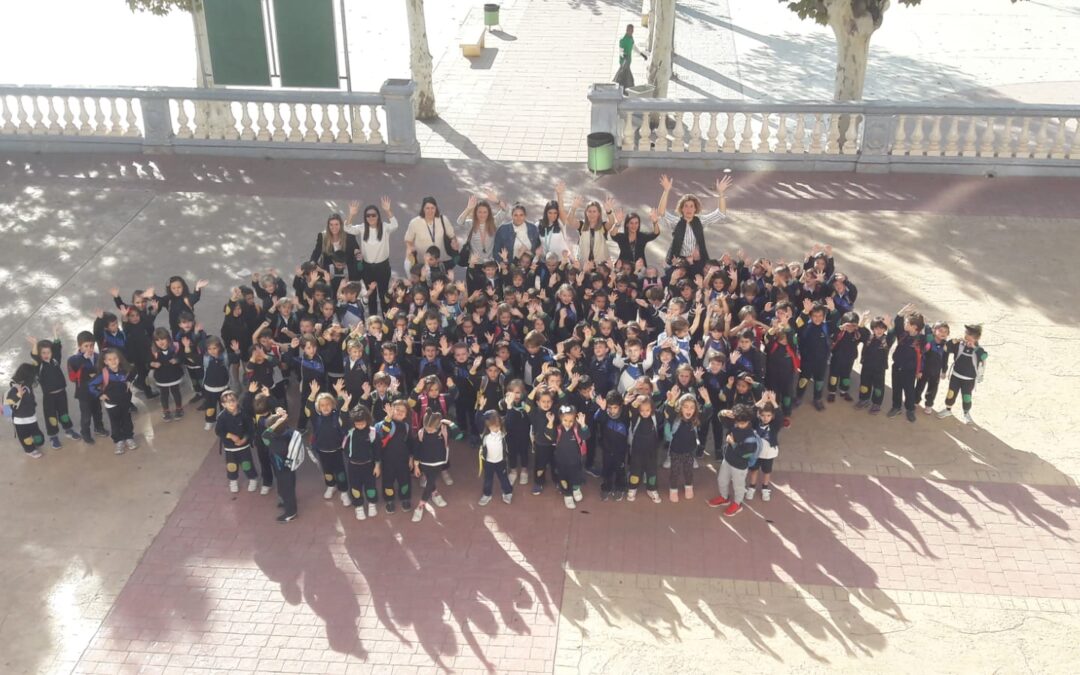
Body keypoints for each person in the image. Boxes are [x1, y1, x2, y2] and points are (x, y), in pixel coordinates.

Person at [656, 173, 733, 275]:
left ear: (695, 208)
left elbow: (721, 214)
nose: (689, 209)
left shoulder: (700, 221)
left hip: (698, 261)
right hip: (679, 261)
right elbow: (661, 213)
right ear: (681, 209)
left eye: (691, 206)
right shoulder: (676, 221)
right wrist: (666, 191)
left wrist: (721, 194)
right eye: (686, 206)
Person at [28, 329, 81, 447]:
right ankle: (53, 437)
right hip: (49, 397)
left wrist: (56, 334)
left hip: (62, 394)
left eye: (49, 352)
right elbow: (35, 356)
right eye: (43, 353)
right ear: (40, 355)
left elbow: (57, 347)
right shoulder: (39, 365)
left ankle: (68, 430)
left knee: (64, 413)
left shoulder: (55, 360)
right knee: (51, 417)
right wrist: (35, 345)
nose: (47, 355)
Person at [347, 197, 398, 316]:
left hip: (383, 266)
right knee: (371, 295)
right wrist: (351, 214)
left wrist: (388, 210)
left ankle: (387, 319)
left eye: (373, 215)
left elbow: (395, 225)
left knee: (384, 294)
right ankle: (373, 320)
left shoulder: (385, 227)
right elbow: (347, 228)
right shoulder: (362, 227)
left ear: (378, 216)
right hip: (367, 267)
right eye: (368, 216)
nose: (371, 218)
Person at [305, 380, 352, 506]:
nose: (325, 407)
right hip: (322, 450)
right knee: (327, 471)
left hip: (337, 450)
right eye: (322, 405)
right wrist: (313, 393)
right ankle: (331, 486)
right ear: (318, 407)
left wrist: (339, 393)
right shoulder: (316, 418)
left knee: (340, 472)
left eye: (328, 404)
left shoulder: (337, 416)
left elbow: (344, 412)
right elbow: (308, 408)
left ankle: (343, 491)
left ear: (333, 405)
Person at [708, 403, 758, 516]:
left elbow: (746, 454)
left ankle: (737, 503)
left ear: (748, 420)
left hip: (739, 466)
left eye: (742, 423)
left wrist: (733, 443)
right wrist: (723, 412)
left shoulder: (750, 436)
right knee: (721, 480)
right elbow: (721, 419)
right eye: (737, 422)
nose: (739, 425)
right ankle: (724, 497)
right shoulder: (735, 424)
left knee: (738, 486)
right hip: (727, 460)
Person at [88, 348, 137, 455]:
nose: (113, 361)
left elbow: (134, 371)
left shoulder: (124, 370)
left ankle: (129, 437)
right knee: (115, 423)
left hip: (125, 401)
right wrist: (100, 394)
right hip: (111, 404)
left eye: (115, 358)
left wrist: (129, 381)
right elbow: (91, 385)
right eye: (110, 359)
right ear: (105, 362)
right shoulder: (103, 374)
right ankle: (119, 440)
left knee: (127, 420)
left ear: (119, 359)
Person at [938, 324, 988, 425]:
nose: (966, 335)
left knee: (966, 397)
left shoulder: (978, 349)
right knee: (951, 394)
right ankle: (948, 410)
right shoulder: (959, 345)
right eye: (966, 333)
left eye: (969, 334)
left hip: (969, 380)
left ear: (976, 338)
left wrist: (974, 347)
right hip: (956, 376)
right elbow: (945, 348)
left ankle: (966, 413)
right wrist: (953, 341)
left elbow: (984, 356)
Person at [664, 391, 708, 502]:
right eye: (686, 407)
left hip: (689, 451)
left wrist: (707, 400)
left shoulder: (695, 420)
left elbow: (708, 412)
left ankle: (689, 486)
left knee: (688, 471)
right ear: (680, 407)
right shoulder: (675, 418)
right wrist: (672, 400)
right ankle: (673, 489)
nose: (689, 410)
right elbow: (669, 410)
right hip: (675, 451)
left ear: (696, 409)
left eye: (692, 407)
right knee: (675, 471)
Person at [67, 330, 109, 444]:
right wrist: (83, 360)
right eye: (86, 346)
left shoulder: (97, 356)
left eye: (91, 345)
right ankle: (85, 433)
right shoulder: (73, 360)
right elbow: (72, 378)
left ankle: (98, 428)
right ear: (79, 346)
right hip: (84, 393)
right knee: (86, 415)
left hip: (96, 391)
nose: (89, 349)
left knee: (98, 411)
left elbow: (101, 372)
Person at [259, 402, 298, 522]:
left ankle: (291, 512)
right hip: (285, 468)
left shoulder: (274, 441)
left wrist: (277, 422)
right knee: (284, 487)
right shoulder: (287, 433)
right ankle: (285, 501)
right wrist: (281, 418)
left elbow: (265, 434)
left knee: (287, 489)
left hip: (284, 469)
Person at [215, 390, 260, 493]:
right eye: (227, 402)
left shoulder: (244, 414)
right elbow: (218, 431)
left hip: (243, 447)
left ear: (237, 401)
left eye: (233, 400)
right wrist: (230, 435)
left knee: (246, 464)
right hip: (229, 447)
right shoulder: (221, 417)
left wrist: (244, 439)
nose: (230, 403)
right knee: (231, 465)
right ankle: (233, 481)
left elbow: (250, 429)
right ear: (223, 404)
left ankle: (252, 479)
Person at [411, 410, 452, 522]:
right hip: (424, 464)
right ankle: (435, 493)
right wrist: (416, 466)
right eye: (427, 428)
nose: (429, 431)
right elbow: (417, 450)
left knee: (429, 483)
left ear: (438, 425)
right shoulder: (421, 433)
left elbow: (459, 435)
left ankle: (420, 506)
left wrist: (450, 423)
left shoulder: (443, 431)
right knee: (430, 481)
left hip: (438, 463)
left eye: (431, 429)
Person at [887, 303, 925, 422]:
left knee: (909, 390)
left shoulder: (921, 340)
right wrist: (901, 312)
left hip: (909, 370)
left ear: (914, 327)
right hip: (897, 366)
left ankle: (910, 409)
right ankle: (896, 407)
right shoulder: (903, 335)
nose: (905, 324)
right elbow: (898, 322)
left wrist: (920, 371)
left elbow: (923, 357)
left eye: (908, 323)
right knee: (896, 388)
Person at [344, 403, 380, 521]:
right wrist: (345, 403)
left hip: (369, 465)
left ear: (368, 420)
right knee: (355, 487)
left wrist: (377, 466)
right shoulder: (350, 431)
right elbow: (343, 418)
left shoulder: (373, 432)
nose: (360, 425)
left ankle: (372, 504)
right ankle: (358, 507)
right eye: (357, 423)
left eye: (362, 423)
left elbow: (377, 451)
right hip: (353, 466)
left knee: (371, 487)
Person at [746, 393, 782, 502]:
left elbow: (780, 416)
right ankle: (752, 487)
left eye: (768, 415)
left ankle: (765, 488)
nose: (765, 418)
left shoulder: (775, 426)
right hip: (756, 453)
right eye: (763, 415)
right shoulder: (755, 423)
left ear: (772, 416)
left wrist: (774, 402)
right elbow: (750, 412)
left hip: (768, 454)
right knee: (754, 470)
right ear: (759, 415)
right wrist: (761, 400)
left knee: (767, 471)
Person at [404, 196, 458, 268]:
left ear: (436, 209)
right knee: (424, 279)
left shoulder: (443, 219)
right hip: (423, 262)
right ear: (423, 209)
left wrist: (454, 242)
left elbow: (452, 236)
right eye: (427, 208)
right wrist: (410, 249)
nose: (430, 211)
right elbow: (408, 240)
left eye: (432, 208)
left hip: (442, 261)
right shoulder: (414, 223)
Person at [553, 405, 589, 510]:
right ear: (560, 418)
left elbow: (586, 436)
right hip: (561, 461)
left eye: (571, 421)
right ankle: (567, 495)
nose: (568, 423)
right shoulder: (558, 429)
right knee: (563, 478)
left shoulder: (577, 429)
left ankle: (576, 488)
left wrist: (583, 425)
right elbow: (550, 436)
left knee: (576, 475)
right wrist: (550, 423)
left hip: (575, 460)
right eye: (565, 420)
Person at [5, 363, 45, 457]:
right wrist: (18, 396)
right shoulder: (15, 388)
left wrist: (33, 405)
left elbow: (30, 398)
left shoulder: (28, 386)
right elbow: (9, 403)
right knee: (25, 437)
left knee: (39, 438)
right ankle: (29, 450)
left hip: (31, 417)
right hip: (20, 420)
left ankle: (33, 443)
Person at [478, 410, 514, 506]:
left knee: (503, 478)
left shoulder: (502, 433)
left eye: (498, 425)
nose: (496, 428)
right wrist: (480, 410)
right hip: (488, 462)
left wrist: (509, 407)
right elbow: (478, 420)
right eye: (493, 426)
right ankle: (487, 494)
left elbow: (509, 420)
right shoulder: (484, 436)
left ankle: (508, 492)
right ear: (487, 425)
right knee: (488, 479)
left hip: (501, 462)